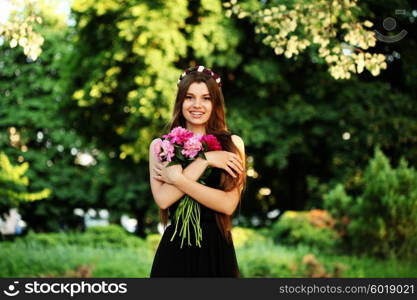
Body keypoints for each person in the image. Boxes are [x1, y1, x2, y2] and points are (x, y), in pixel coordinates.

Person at [148, 65, 246, 277]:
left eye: (206, 98)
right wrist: (206, 160)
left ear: (215, 103)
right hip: (175, 251)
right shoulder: (162, 145)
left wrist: (179, 180)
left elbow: (228, 205)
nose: (197, 105)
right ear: (180, 101)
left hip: (217, 249)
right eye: (190, 97)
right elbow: (164, 199)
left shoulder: (233, 145)